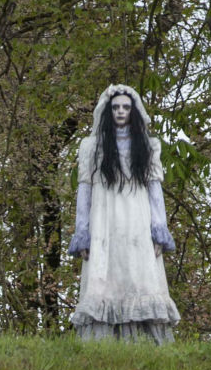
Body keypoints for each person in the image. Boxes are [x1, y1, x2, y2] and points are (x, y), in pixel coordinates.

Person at [68, 84, 181, 342]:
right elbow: (84, 192)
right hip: (103, 221)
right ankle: (102, 344)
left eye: (126, 107)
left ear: (134, 111)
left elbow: (155, 192)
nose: (120, 111)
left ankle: (145, 342)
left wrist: (158, 231)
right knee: (103, 278)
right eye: (116, 107)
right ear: (108, 111)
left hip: (137, 221)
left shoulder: (149, 147)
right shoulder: (91, 147)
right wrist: (82, 232)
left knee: (140, 277)